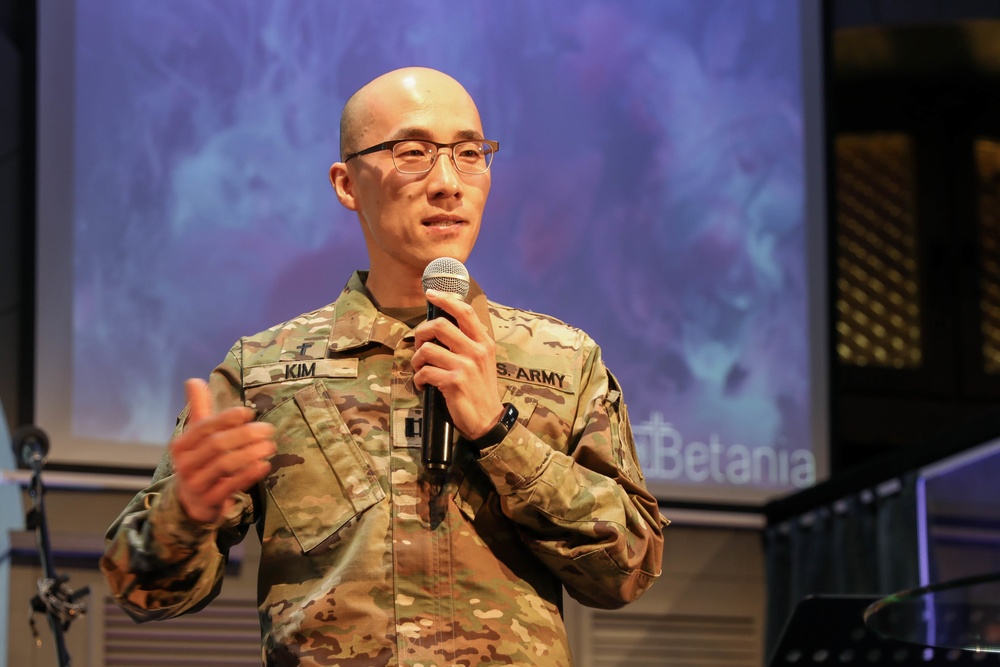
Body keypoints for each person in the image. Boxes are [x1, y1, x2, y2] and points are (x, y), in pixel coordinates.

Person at [101, 66, 666, 667]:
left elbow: (628, 569)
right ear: (347, 184)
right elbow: (139, 591)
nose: (449, 183)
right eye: (414, 153)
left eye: (470, 153)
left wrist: (500, 435)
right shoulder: (262, 372)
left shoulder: (563, 358)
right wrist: (182, 513)